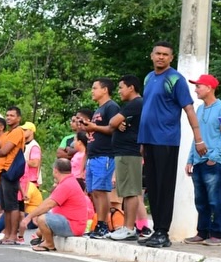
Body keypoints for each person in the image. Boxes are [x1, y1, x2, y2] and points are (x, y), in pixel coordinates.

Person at [137, 40, 206, 247]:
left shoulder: (175, 79)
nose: (161, 57)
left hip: (166, 140)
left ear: (171, 58)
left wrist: (198, 138)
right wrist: (141, 140)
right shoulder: (149, 78)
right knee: (153, 187)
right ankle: (156, 229)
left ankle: (162, 232)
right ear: (151, 55)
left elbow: (189, 109)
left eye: (165, 54)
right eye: (157, 53)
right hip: (148, 140)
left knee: (164, 187)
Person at [184, 74, 221, 245]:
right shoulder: (200, 109)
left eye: (198, 86)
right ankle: (202, 232)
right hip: (198, 161)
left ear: (209, 87)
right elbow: (197, 137)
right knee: (201, 200)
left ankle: (217, 234)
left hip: (214, 162)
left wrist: (214, 157)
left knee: (215, 200)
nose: (195, 89)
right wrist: (190, 159)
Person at [23, 158, 95, 251]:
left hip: (72, 225)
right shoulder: (68, 181)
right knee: (39, 232)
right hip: (70, 222)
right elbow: (48, 201)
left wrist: (29, 216)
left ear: (55, 170)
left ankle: (49, 244)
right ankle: (44, 240)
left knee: (42, 219)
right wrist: (35, 214)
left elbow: (49, 205)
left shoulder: (66, 184)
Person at [108, 76, 146, 240]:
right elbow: (118, 123)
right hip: (124, 152)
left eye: (121, 87)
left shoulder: (136, 103)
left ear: (131, 88)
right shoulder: (131, 106)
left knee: (131, 191)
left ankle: (129, 228)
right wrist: (119, 123)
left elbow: (112, 122)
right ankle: (127, 226)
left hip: (129, 152)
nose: (119, 91)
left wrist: (117, 122)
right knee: (127, 191)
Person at [81, 78, 120, 238]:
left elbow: (113, 129)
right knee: (94, 192)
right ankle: (99, 223)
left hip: (105, 155)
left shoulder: (111, 107)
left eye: (95, 88)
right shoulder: (99, 109)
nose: (92, 91)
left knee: (101, 191)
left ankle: (103, 225)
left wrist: (94, 127)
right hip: (93, 155)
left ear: (105, 90)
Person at [0, 106, 27, 245]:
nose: (9, 117)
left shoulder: (18, 131)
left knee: (12, 205)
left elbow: (3, 151)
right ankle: (6, 233)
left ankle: (13, 235)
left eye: (12, 115)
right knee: (6, 206)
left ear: (18, 118)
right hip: (4, 171)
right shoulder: (8, 133)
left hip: (11, 170)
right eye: (7, 115)